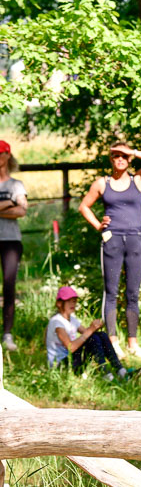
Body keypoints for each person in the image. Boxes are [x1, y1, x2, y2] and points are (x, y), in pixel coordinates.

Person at [79, 142, 141, 361]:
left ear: (129, 160)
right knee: (111, 292)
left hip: (135, 239)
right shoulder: (102, 183)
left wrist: (132, 151)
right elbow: (84, 206)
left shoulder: (138, 180)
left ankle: (133, 344)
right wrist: (98, 225)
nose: (120, 159)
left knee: (132, 293)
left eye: (124, 156)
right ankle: (113, 342)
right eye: (116, 155)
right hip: (112, 239)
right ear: (111, 159)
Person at [46, 285, 141, 381]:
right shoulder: (57, 322)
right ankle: (106, 375)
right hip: (61, 366)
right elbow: (70, 347)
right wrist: (90, 330)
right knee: (93, 338)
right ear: (59, 303)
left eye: (74, 301)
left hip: (72, 361)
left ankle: (121, 371)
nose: (73, 304)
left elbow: (89, 334)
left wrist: (95, 328)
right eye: (69, 301)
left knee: (101, 335)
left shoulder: (72, 319)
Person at [0, 140, 28, 352]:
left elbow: (22, 211)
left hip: (10, 241)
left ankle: (7, 334)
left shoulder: (16, 185)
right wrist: (9, 203)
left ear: (8, 155)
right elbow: (15, 207)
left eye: (1, 154)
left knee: (9, 286)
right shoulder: (12, 194)